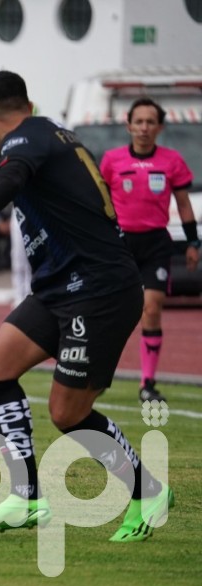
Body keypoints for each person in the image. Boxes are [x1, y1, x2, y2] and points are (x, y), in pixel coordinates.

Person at [0, 71, 173, 542]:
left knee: (67, 413)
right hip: (60, 287)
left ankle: (148, 491)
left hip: (98, 290)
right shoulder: (50, 134)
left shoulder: (24, 139)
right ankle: (26, 497)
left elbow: (13, 178)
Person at [99, 98, 198, 404]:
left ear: (160, 127)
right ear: (128, 125)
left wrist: (193, 243)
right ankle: (98, 376)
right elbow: (100, 203)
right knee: (112, 312)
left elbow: (183, 204)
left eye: (150, 122)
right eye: (138, 122)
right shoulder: (111, 160)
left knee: (152, 310)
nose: (144, 128)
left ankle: (147, 384)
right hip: (119, 245)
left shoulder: (172, 161)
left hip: (156, 244)